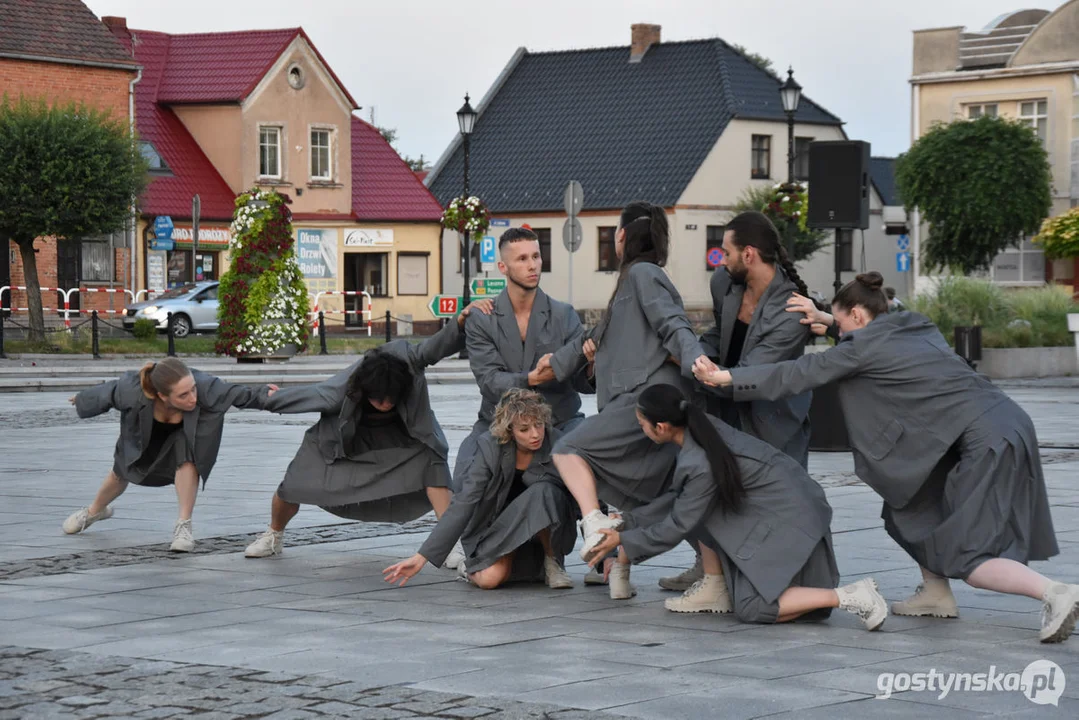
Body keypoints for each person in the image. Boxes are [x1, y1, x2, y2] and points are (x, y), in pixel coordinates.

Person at [694, 271, 1079, 643]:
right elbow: (865, 341)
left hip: (981, 438)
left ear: (858, 316)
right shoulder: (914, 323)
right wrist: (830, 321)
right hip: (1002, 423)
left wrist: (727, 378)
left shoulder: (862, 344)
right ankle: (935, 594)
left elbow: (801, 371)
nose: (840, 336)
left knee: (970, 557)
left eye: (843, 327)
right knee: (908, 508)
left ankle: (1055, 592)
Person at [584, 384, 888, 629]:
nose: (641, 430)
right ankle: (718, 587)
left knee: (754, 607)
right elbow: (683, 500)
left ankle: (850, 596)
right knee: (708, 526)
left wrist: (623, 539)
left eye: (642, 425)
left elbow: (678, 524)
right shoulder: (702, 432)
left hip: (791, 520)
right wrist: (626, 521)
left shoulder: (698, 460)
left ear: (661, 427)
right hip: (789, 510)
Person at [544, 200, 709, 600]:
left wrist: (698, 361)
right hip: (638, 398)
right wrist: (561, 364)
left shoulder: (643, 274)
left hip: (644, 400)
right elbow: (601, 341)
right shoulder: (633, 280)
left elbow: (673, 323)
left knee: (569, 449)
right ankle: (704, 570)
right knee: (652, 493)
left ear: (621, 236)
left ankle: (594, 524)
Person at [243, 303, 487, 558]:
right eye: (378, 399)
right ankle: (274, 535)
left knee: (434, 467)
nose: (385, 404)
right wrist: (266, 396)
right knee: (292, 484)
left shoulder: (410, 363)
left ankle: (449, 544)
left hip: (402, 439)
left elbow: (434, 348)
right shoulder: (347, 386)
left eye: (391, 399)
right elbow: (311, 394)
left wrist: (459, 322)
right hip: (343, 441)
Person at [661, 211, 815, 594]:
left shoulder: (791, 310)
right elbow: (719, 333)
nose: (720, 258)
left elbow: (755, 374)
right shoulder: (724, 284)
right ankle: (708, 566)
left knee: (771, 501)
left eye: (725, 251)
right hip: (722, 401)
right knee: (699, 481)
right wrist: (697, 353)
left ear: (748, 254)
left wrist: (702, 371)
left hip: (771, 417)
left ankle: (780, 580)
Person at [453, 227, 602, 582]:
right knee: (467, 460)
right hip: (497, 422)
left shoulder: (564, 314)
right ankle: (473, 548)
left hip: (560, 420)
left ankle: (602, 556)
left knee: (593, 451)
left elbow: (581, 383)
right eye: (522, 258)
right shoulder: (482, 317)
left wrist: (592, 365)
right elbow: (489, 381)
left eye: (536, 256)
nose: (533, 265)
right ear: (503, 267)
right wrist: (532, 379)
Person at [63, 358, 274, 552]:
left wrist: (268, 394)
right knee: (120, 473)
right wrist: (83, 399)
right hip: (142, 438)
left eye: (193, 390)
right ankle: (94, 512)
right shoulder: (132, 390)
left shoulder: (205, 387)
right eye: (183, 395)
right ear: (162, 396)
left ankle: (183, 527)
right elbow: (107, 392)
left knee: (188, 459)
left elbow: (238, 394)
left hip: (183, 436)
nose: (193, 398)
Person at [384, 389, 578, 590]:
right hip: (499, 529)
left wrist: (605, 557)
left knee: (543, 491)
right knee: (489, 580)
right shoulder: (490, 447)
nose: (535, 434)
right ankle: (468, 567)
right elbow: (465, 501)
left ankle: (552, 562)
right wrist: (421, 557)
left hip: (544, 532)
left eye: (539, 425)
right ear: (509, 430)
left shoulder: (559, 444)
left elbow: (588, 493)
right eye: (524, 429)